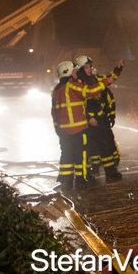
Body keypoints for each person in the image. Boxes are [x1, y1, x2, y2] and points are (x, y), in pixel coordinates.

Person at [51, 60, 118, 191]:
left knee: (67, 155)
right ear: (68, 72)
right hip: (79, 129)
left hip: (63, 132)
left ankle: (65, 181)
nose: (76, 73)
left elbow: (54, 112)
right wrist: (107, 82)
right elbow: (90, 91)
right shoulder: (72, 86)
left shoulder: (56, 90)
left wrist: (57, 129)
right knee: (81, 155)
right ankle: (82, 180)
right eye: (74, 71)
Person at [75, 55, 124, 183]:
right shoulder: (79, 83)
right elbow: (78, 104)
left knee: (104, 144)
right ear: (80, 69)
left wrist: (118, 69)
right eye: (86, 67)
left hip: (99, 117)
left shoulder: (94, 78)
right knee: (88, 148)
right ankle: (87, 173)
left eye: (90, 66)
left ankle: (111, 171)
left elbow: (109, 79)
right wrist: (88, 118)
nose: (89, 69)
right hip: (87, 119)